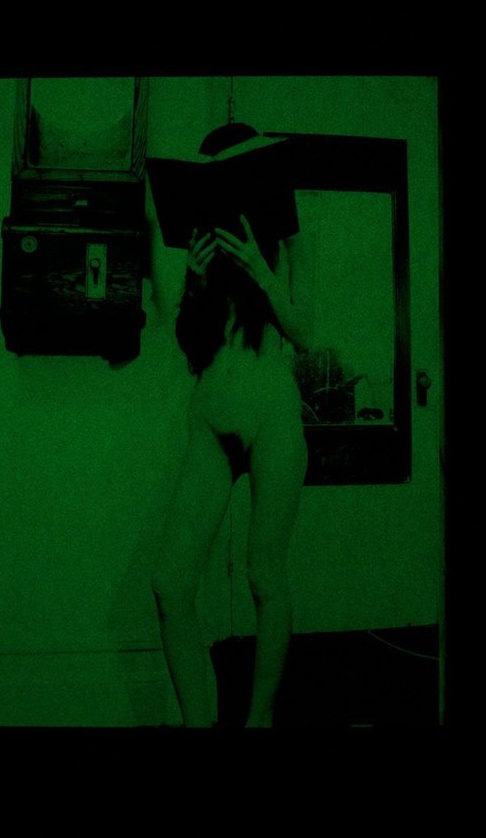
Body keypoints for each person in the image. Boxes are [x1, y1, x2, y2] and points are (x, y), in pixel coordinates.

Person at [152, 132, 313, 728]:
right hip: (211, 415)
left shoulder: (289, 242)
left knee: (264, 574)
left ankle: (258, 720)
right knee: (170, 582)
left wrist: (261, 272)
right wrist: (195, 282)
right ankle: (200, 721)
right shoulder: (202, 249)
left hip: (272, 416)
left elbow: (305, 333)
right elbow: (191, 347)